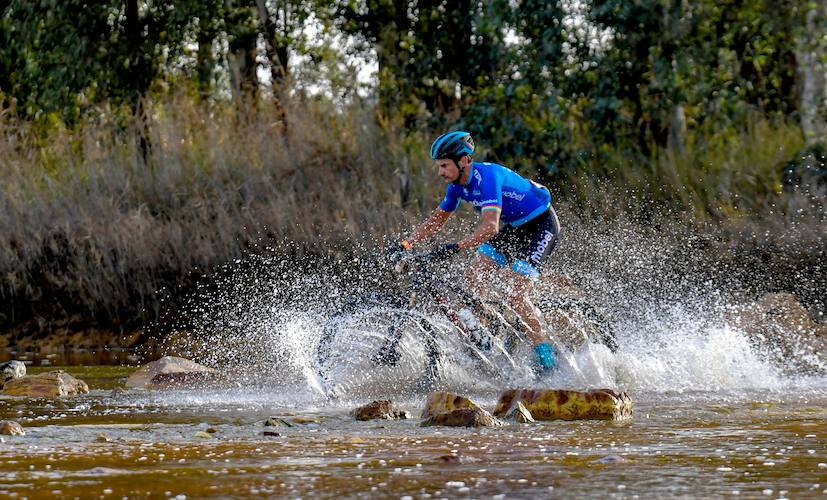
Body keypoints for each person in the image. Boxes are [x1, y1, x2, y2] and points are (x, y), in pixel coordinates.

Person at [388, 131, 561, 372]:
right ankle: (491, 327)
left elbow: (490, 226)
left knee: (516, 295)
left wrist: (456, 247)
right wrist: (406, 244)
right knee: (472, 278)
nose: (440, 172)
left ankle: (547, 359)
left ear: (464, 161)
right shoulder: (456, 186)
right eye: (438, 166)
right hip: (514, 227)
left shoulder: (486, 178)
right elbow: (437, 219)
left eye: (445, 166)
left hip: (540, 225)